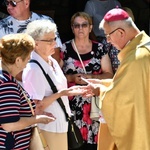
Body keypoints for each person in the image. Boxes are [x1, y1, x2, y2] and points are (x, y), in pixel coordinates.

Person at [86, 8, 150, 150]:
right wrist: (106, 83)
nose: (108, 41)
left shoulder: (137, 58)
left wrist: (100, 91)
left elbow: (122, 100)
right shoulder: (144, 48)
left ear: (121, 32)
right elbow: (136, 88)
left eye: (108, 36)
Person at [22, 19, 88, 150]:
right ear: (35, 44)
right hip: (48, 127)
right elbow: (35, 107)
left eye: (54, 38)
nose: (54, 43)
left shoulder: (52, 61)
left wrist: (69, 91)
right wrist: (62, 93)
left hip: (61, 124)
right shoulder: (33, 68)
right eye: (49, 40)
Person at [60, 12, 113, 150]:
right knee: (74, 143)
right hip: (72, 106)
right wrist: (71, 78)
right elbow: (55, 77)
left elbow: (109, 75)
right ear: (72, 28)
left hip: (94, 106)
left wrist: (92, 78)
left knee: (94, 145)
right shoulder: (64, 49)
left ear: (90, 27)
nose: (80, 28)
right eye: (76, 25)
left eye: (84, 25)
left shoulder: (100, 48)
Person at [0, 33, 55, 149]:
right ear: (18, 60)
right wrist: (36, 119)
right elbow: (9, 125)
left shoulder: (6, 80)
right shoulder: (7, 84)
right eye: (28, 57)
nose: (29, 62)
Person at [0, 0, 62, 66]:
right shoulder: (2, 26)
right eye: (7, 3)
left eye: (13, 3)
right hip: (13, 74)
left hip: (43, 72)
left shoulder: (45, 21)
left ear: (26, 3)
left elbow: (55, 55)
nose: (9, 7)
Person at [84, 0, 122, 73]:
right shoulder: (91, 4)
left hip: (115, 39)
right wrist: (96, 44)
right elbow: (88, 27)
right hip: (98, 39)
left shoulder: (115, 3)